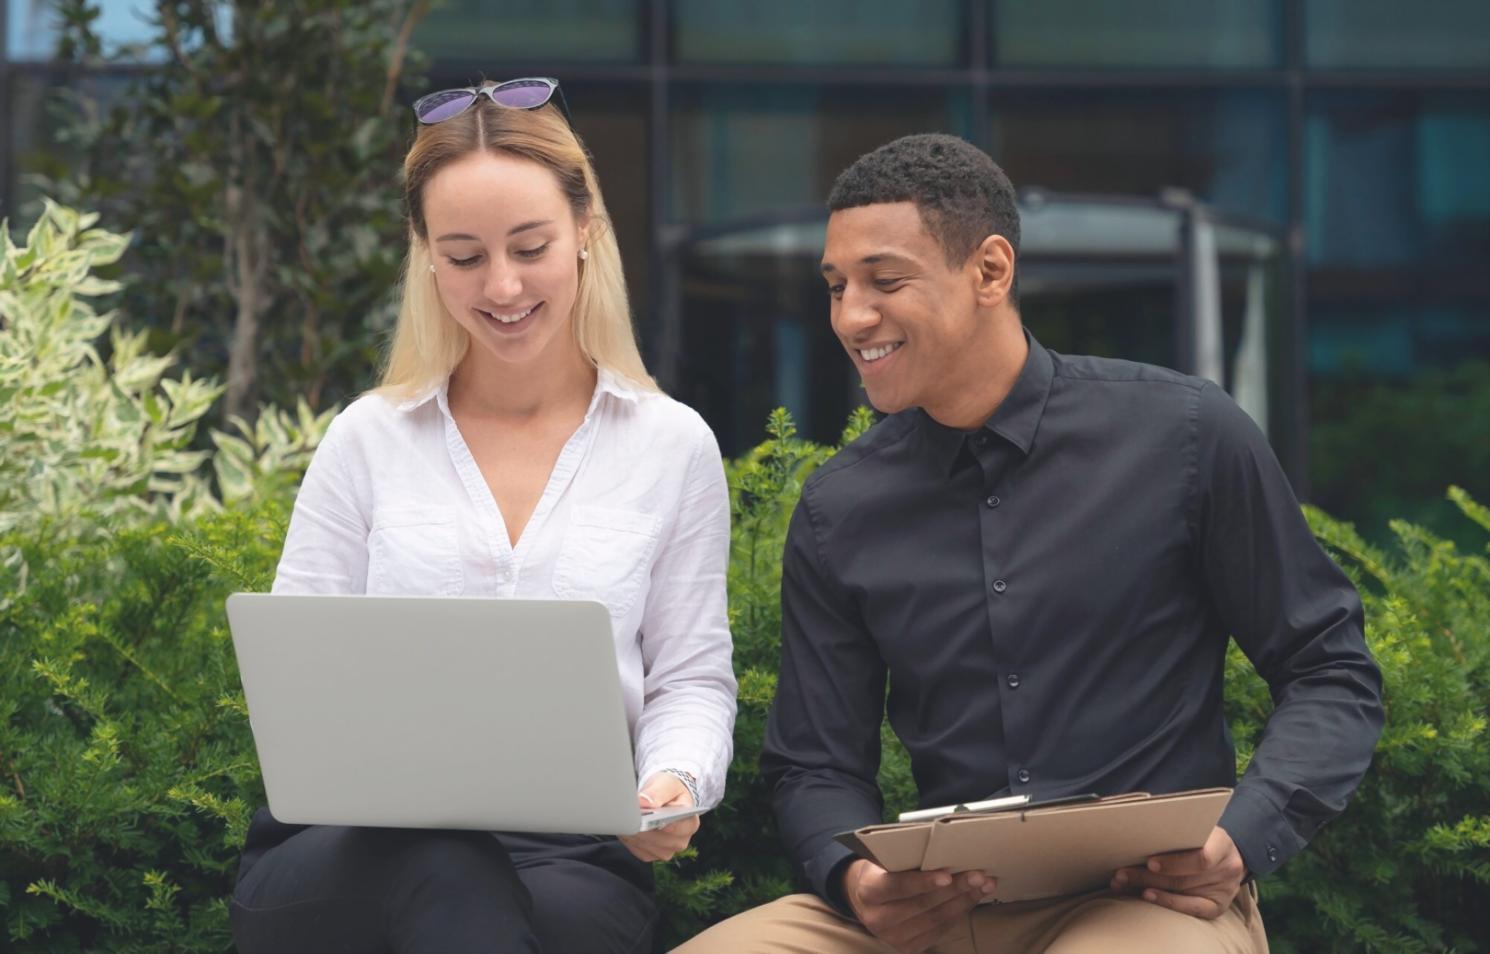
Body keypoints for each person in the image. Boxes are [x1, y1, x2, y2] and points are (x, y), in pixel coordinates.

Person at [676, 134, 1383, 954]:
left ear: (990, 270)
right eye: (836, 287)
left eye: (885, 282)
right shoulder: (841, 507)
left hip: (1148, 905)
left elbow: (1328, 668)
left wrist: (1241, 836)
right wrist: (857, 880)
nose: (850, 317)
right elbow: (814, 765)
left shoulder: (1187, 436)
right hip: (936, 915)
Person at [229, 77, 737, 954]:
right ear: (426, 255)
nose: (502, 286)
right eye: (464, 257)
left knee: (533, 917)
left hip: (572, 858)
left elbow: (690, 676)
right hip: (350, 852)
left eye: (530, 247)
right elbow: (296, 673)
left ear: (586, 228)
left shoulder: (672, 446)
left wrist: (672, 782)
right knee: (449, 870)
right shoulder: (367, 439)